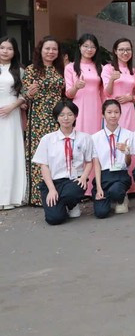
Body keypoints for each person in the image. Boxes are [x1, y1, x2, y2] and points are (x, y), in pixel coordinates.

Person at [34, 100, 94, 225]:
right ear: (57, 117)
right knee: (54, 219)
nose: (66, 118)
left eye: (70, 114)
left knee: (73, 191)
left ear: (75, 116)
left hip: (74, 181)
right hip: (54, 182)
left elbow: (89, 161)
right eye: (62, 115)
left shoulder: (85, 138)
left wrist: (84, 177)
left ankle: (71, 204)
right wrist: (51, 189)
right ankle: (63, 207)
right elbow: (44, 166)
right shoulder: (47, 139)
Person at [22, 36, 65, 206]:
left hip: (58, 116)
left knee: (57, 153)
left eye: (54, 49)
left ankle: (58, 192)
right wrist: (29, 93)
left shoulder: (60, 69)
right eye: (47, 48)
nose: (51, 52)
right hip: (38, 116)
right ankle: (38, 196)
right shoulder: (32, 70)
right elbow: (24, 94)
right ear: (40, 50)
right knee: (39, 155)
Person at [102, 38, 135, 194]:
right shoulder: (108, 69)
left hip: (129, 111)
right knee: (113, 143)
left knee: (129, 144)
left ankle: (131, 185)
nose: (125, 53)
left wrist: (130, 98)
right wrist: (112, 79)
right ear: (115, 51)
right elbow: (107, 92)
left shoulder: (134, 71)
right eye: (121, 49)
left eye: (128, 49)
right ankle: (114, 182)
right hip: (113, 111)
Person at [91, 100, 133, 218]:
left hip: (120, 175)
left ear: (120, 114)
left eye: (116, 112)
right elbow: (97, 164)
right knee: (101, 213)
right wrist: (99, 187)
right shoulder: (95, 138)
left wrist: (126, 151)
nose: (113, 115)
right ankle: (108, 198)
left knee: (116, 190)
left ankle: (121, 198)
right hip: (104, 176)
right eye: (109, 112)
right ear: (103, 115)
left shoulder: (128, 134)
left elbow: (128, 163)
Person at [0, 36, 26, 210]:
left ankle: (12, 196)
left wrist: (12, 106)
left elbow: (25, 95)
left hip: (12, 114)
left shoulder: (20, 70)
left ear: (14, 51)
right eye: (2, 48)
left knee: (11, 152)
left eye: (9, 48)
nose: (5, 51)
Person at [65, 33, 104, 135]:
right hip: (79, 106)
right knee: (79, 136)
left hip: (96, 106)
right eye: (86, 46)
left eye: (92, 47)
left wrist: (105, 109)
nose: (89, 49)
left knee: (96, 136)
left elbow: (103, 93)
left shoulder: (101, 67)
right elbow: (69, 94)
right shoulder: (70, 67)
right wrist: (76, 87)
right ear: (79, 47)